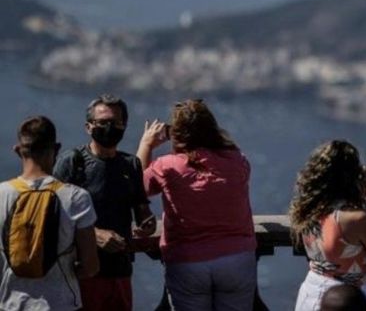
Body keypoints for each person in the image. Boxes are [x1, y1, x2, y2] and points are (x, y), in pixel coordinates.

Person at [138, 99, 257, 311]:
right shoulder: (238, 160)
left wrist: (146, 145)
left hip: (188, 261)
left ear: (176, 134)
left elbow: (137, 188)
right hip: (237, 258)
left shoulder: (167, 166)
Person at [53, 94, 155, 311]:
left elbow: (141, 210)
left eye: (116, 123)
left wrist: (148, 222)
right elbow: (52, 215)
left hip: (120, 271)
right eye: (103, 123)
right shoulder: (73, 162)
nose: (110, 128)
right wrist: (95, 235)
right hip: (81, 273)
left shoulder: (131, 164)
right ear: (88, 127)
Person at [1, 116, 99, 310]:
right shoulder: (76, 198)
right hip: (59, 304)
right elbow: (90, 266)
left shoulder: (1, 193)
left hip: (9, 304)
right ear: (56, 148)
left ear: (18, 150)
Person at [290, 140, 366, 311]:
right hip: (349, 300)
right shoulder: (355, 219)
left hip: (312, 291)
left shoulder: (308, 209)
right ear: (351, 175)